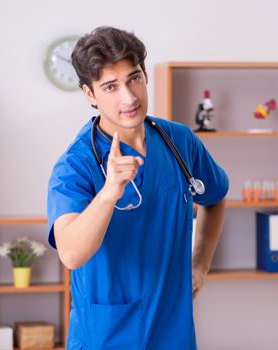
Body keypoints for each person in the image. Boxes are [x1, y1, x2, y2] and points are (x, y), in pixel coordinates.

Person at [46, 26, 228, 349]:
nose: (129, 97)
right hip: (106, 337)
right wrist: (109, 192)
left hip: (173, 332)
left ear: (145, 75)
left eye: (134, 78)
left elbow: (215, 196)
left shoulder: (178, 142)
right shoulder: (75, 166)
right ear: (89, 94)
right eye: (111, 86)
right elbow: (71, 253)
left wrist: (201, 263)